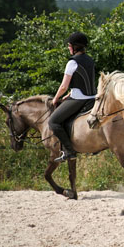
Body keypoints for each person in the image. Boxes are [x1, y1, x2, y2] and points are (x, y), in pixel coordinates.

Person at [49, 32, 96, 162]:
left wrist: (56, 98)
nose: (68, 48)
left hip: (79, 99)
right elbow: (84, 81)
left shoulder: (72, 62)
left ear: (75, 47)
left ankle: (69, 151)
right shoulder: (90, 59)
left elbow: (64, 86)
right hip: (92, 96)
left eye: (69, 45)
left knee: (53, 121)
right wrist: (69, 94)